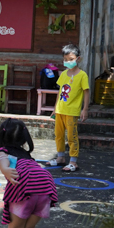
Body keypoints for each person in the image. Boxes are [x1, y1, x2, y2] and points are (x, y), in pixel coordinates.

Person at [46, 44, 90, 172]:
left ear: (78, 59)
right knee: (58, 135)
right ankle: (60, 158)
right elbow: (60, 92)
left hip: (72, 111)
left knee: (72, 136)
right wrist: (55, 108)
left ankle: (73, 162)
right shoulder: (64, 74)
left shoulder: (83, 75)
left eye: (71, 59)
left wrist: (85, 109)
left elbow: (86, 92)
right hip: (60, 110)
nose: (68, 62)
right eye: (65, 59)